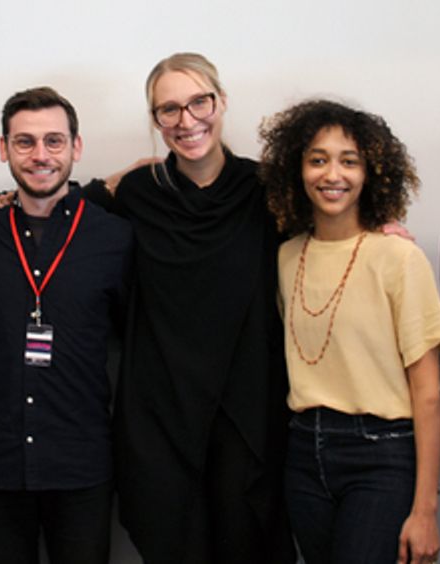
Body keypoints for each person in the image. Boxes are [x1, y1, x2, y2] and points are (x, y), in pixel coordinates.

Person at [84, 52, 295, 564]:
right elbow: (67, 213)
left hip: (245, 414)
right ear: (155, 121)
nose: (187, 121)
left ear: (221, 102)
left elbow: (335, 224)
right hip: (161, 414)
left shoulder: (268, 189)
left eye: (199, 102)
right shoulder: (138, 192)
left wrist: (383, 228)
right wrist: (114, 177)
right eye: (169, 110)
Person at [259, 99, 440, 564]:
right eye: (317, 159)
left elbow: (427, 392)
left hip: (380, 455)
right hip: (303, 451)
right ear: (296, 170)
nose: (332, 175)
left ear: (372, 173)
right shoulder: (286, 257)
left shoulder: (398, 258)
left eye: (350, 161)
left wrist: (426, 510)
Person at [0, 86, 132, 564]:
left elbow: (137, 338)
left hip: (81, 464)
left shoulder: (114, 236)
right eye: (24, 142)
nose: (40, 156)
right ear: (3, 149)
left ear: (76, 148)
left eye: (54, 141)